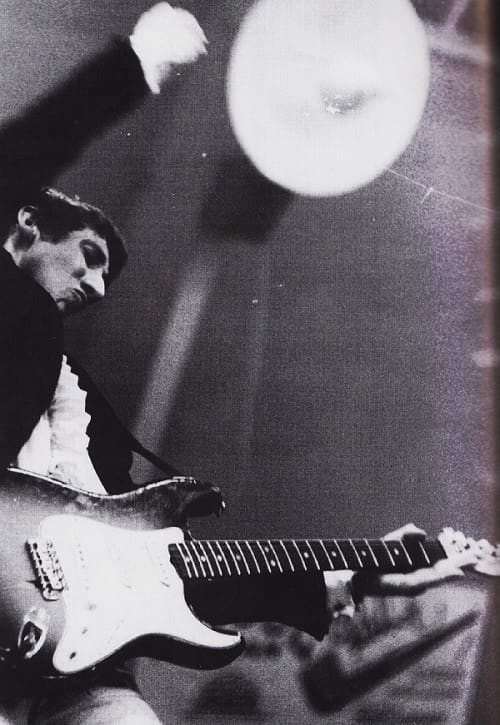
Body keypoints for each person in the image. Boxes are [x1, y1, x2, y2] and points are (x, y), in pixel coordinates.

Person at [0, 4, 468, 723]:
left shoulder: (84, 415)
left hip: (76, 676)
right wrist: (130, 68)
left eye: (105, 277)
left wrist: (349, 574)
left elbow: (157, 576)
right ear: (29, 223)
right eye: (89, 256)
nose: (94, 286)